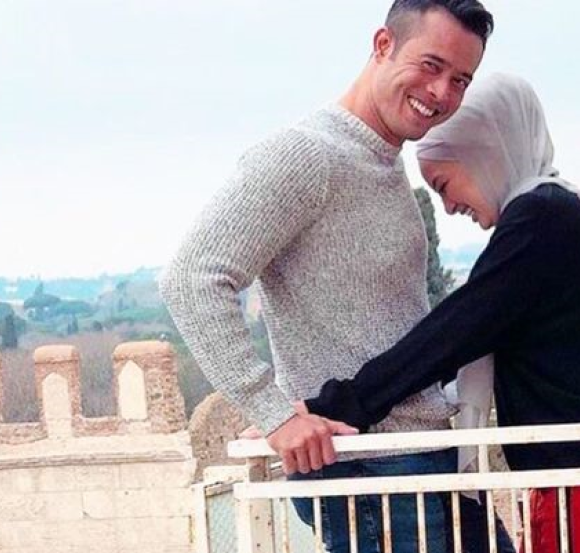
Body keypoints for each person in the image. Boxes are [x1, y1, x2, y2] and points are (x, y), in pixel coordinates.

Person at [160, 2, 514, 552]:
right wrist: (275, 415)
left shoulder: (383, 162)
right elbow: (191, 278)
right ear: (382, 45)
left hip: (416, 459)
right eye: (430, 65)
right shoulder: (307, 154)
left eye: (460, 80)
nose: (442, 92)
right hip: (369, 471)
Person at [304, 73, 580, 553]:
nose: (449, 207)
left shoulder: (541, 218)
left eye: (444, 184)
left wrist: (340, 405)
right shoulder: (555, 210)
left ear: (483, 153)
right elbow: (470, 328)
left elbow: (455, 331)